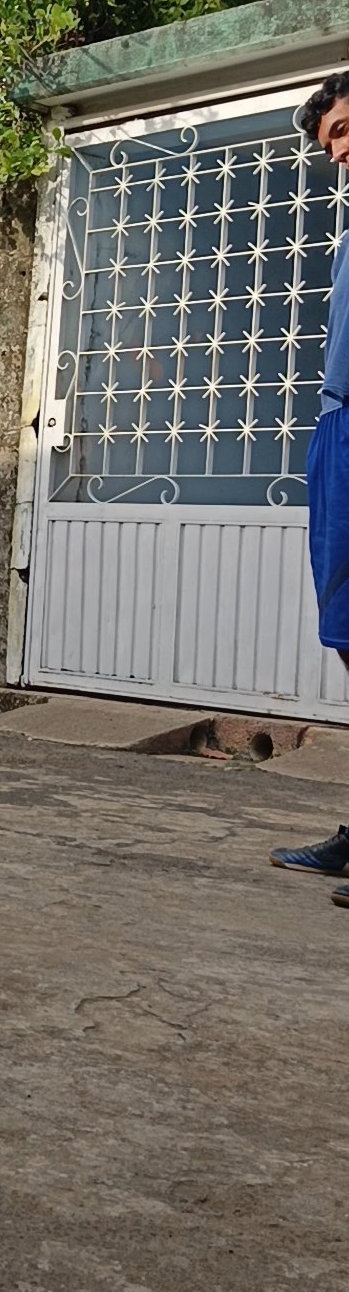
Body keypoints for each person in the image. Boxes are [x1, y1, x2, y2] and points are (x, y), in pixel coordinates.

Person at [271, 70, 349, 900]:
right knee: (347, 629)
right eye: (330, 138)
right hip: (338, 431)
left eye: (345, 127)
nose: (340, 146)